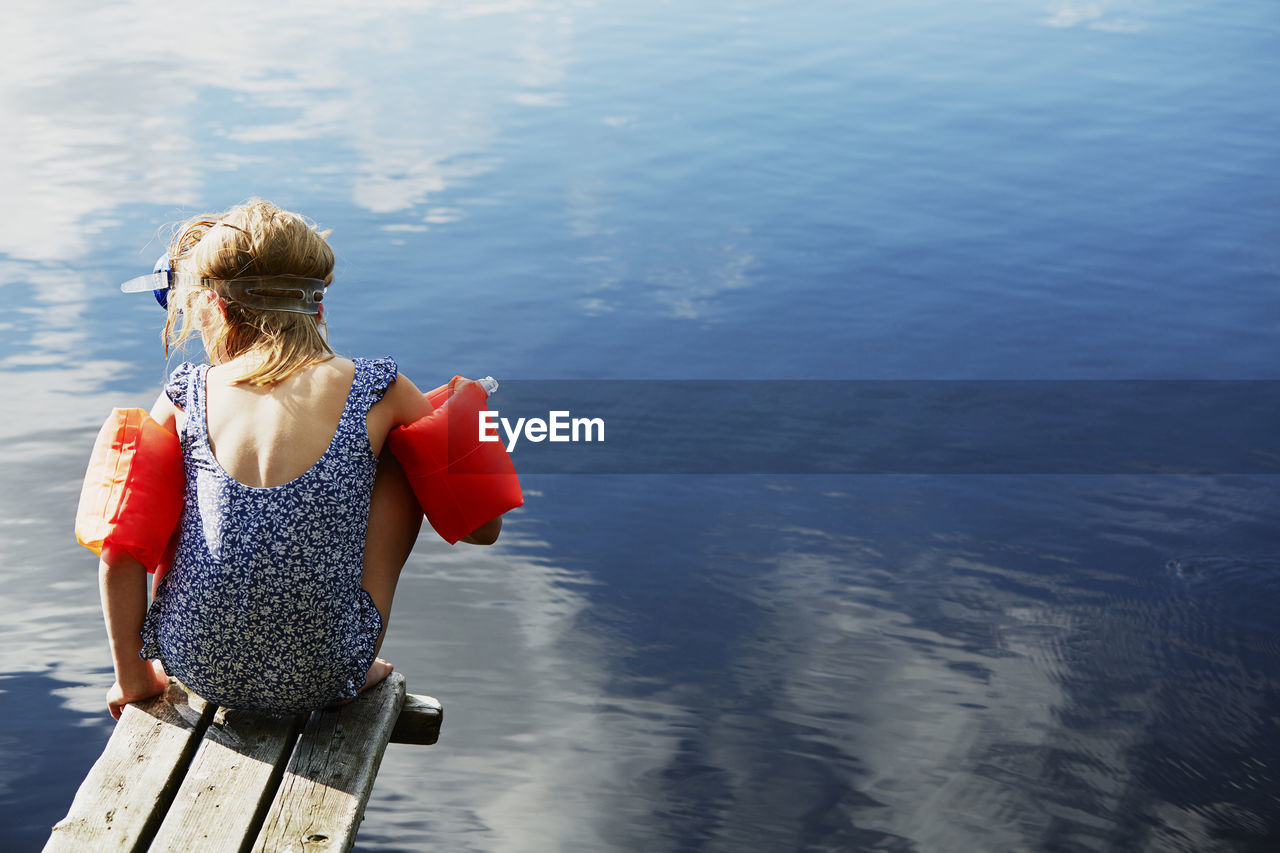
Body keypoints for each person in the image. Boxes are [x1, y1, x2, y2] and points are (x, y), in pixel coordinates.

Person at [98, 198, 503, 720]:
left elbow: (119, 551)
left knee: (150, 494)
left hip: (194, 663)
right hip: (328, 673)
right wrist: (459, 434)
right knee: (402, 454)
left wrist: (134, 682)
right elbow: (482, 528)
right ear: (318, 307)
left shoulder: (184, 394)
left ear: (216, 308)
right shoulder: (377, 386)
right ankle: (354, 661)